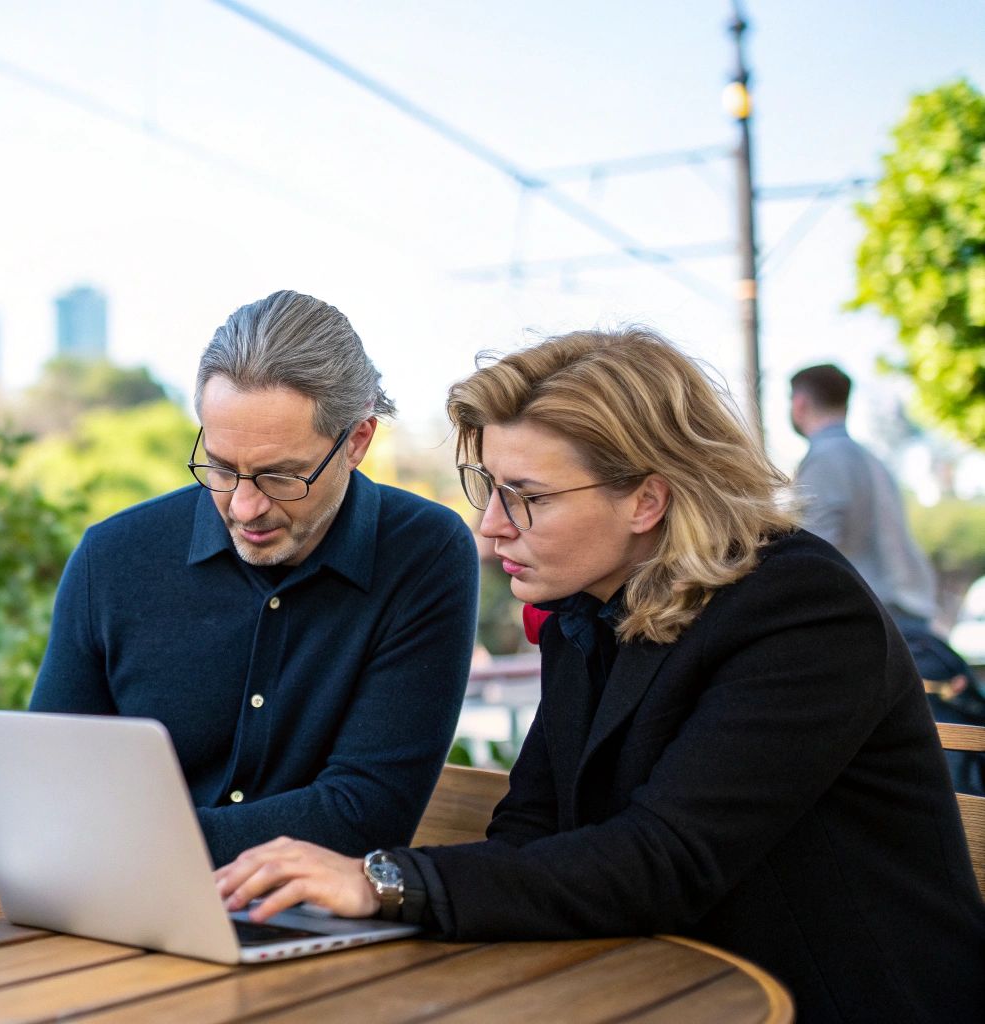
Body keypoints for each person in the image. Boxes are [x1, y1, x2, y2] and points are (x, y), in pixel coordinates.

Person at [215, 328, 985, 1022]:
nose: (490, 525)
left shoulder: (800, 609)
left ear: (648, 497)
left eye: (527, 497)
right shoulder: (591, 607)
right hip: (656, 984)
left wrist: (382, 882)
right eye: (489, 488)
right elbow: (533, 829)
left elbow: (667, 859)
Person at [30, 290, 478, 865]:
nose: (243, 507)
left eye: (281, 476)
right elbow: (46, 785)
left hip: (307, 926)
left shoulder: (425, 552)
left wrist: (132, 845)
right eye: (219, 467)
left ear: (358, 441)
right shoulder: (112, 556)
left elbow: (364, 812)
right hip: (120, 901)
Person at [791, 363, 985, 794]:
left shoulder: (825, 459)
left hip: (876, 634)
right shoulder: (872, 460)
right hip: (911, 626)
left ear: (800, 403)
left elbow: (809, 557)